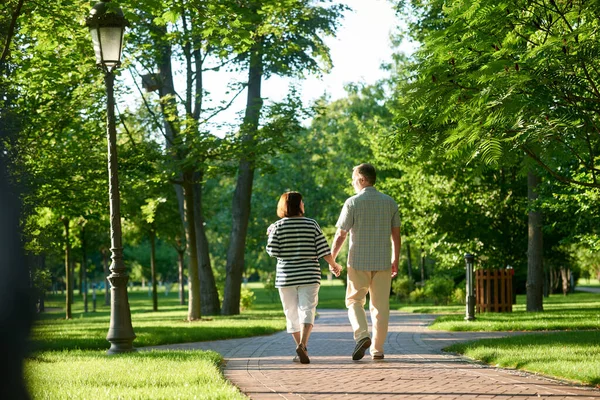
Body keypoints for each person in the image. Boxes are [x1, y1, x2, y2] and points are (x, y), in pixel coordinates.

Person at [331, 163, 401, 361]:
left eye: (354, 180)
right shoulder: (390, 202)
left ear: (362, 179)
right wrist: (396, 259)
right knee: (380, 307)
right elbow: (396, 235)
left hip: (358, 261)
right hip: (383, 262)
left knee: (354, 301)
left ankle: (362, 335)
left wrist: (332, 258)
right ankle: (377, 350)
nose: (353, 184)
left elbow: (341, 234)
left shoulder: (352, 203)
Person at [266, 191, 342, 364]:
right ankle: (303, 344)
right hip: (309, 274)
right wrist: (334, 265)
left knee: (291, 313)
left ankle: (301, 348)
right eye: (302, 202)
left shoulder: (277, 226)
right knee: (307, 309)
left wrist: (270, 233)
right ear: (298, 205)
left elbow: (272, 251)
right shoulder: (311, 224)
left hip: (286, 277)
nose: (304, 205)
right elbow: (323, 249)